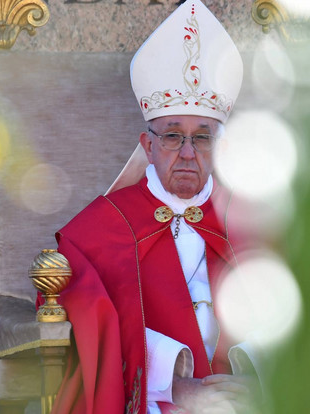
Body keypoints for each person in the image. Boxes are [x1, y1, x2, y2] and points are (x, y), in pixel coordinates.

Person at [47, 1, 261, 413]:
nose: (186, 153)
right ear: (147, 146)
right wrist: (171, 382)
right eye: (171, 136)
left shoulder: (254, 222)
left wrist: (253, 377)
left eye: (202, 137)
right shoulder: (103, 227)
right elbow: (70, 304)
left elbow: (301, 311)